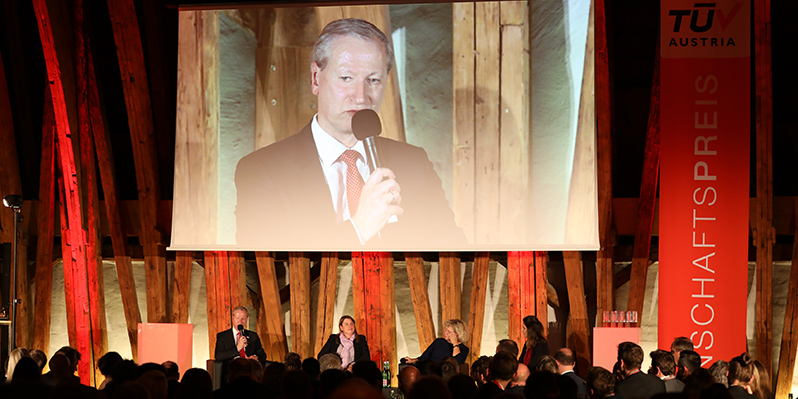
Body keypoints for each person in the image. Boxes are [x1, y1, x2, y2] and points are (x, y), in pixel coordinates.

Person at [234, 18, 466, 250]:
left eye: (373, 80)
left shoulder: (414, 163)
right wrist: (360, 227)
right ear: (315, 78)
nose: (360, 96)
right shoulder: (263, 169)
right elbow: (263, 275)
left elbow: (452, 257)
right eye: (346, 78)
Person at [404, 319, 469, 364]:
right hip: (430, 371)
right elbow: (423, 358)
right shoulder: (439, 342)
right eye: (446, 331)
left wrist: (455, 343)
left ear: (457, 334)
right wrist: (413, 360)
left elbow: (456, 362)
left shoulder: (463, 349)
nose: (445, 333)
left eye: (448, 332)